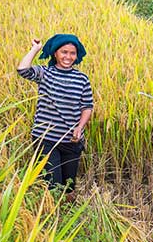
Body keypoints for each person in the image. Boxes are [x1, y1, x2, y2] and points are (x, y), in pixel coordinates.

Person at [17, 34, 94, 198]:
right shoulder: (45, 73)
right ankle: (50, 217)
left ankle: (67, 218)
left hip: (71, 141)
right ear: (55, 53)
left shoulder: (82, 79)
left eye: (72, 53)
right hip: (46, 139)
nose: (68, 57)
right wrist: (35, 49)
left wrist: (80, 128)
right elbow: (22, 69)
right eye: (63, 52)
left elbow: (87, 106)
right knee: (52, 185)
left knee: (69, 187)